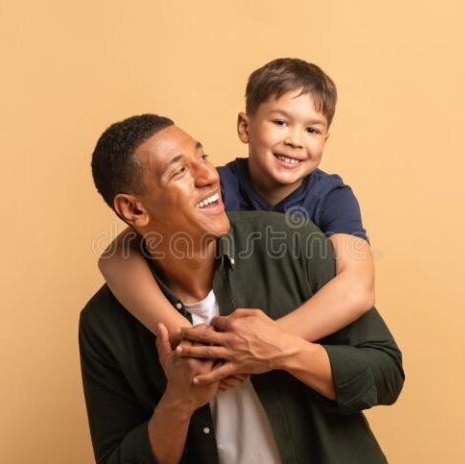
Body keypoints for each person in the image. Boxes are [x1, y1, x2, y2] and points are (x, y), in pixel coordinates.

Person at [81, 114, 404, 463]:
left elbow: (386, 373)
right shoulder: (104, 324)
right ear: (133, 208)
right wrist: (179, 401)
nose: (209, 176)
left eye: (202, 157)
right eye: (180, 172)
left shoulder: (293, 243)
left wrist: (284, 351)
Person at [98, 58, 375, 355]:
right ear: (245, 127)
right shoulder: (213, 186)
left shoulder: (332, 197)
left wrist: (264, 343)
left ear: (326, 139)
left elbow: (357, 287)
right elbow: (115, 257)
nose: (295, 140)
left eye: (312, 130)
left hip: (297, 352)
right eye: (281, 123)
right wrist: (186, 335)